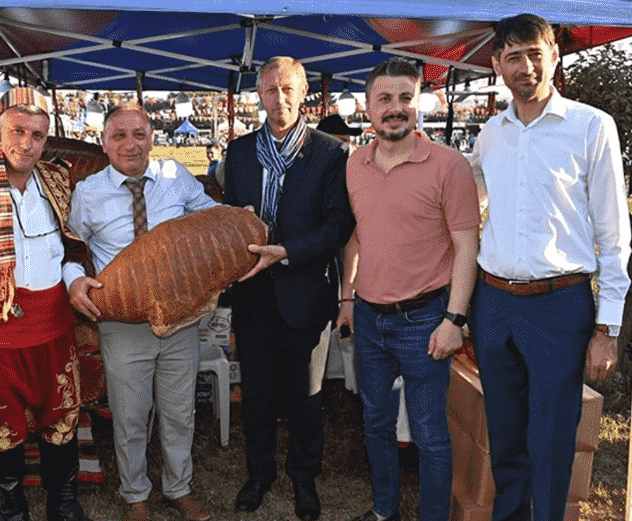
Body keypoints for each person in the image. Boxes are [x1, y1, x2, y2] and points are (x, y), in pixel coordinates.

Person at [470, 13, 630, 521]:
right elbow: (465, 208)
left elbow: (614, 234)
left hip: (560, 305)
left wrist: (607, 327)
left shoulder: (590, 127)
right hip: (493, 303)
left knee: (552, 439)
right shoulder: (489, 135)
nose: (525, 66)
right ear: (497, 64)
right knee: (505, 435)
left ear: (554, 55)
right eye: (513, 56)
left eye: (534, 53)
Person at [337, 57, 480, 521]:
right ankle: (384, 512)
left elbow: (466, 246)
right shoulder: (355, 164)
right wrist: (346, 297)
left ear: (419, 104)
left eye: (404, 98)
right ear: (368, 107)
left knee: (429, 432)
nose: (394, 108)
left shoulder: (449, 165)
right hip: (370, 317)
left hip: (425, 320)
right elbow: (356, 234)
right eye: (385, 99)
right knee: (376, 423)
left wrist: (454, 320)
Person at [64, 102, 217, 521]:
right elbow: (73, 249)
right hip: (123, 321)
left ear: (151, 138)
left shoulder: (175, 177)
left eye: (138, 134)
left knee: (179, 411)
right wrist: (74, 280)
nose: (130, 144)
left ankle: (178, 488)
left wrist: (236, 228)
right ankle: (136, 496)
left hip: (180, 318)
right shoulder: (88, 192)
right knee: (130, 416)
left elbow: (210, 219)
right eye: (119, 136)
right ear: (104, 143)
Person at [223, 56, 355, 521]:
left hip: (305, 290)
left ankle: (304, 477)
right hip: (253, 294)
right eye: (270, 89)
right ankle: (259, 474)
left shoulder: (330, 154)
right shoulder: (238, 152)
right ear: (258, 94)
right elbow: (227, 221)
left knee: (305, 395)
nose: (279, 99)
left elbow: (339, 224)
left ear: (303, 95)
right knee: (255, 391)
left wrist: (287, 251)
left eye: (287, 90)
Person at [0, 87, 92, 521]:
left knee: (63, 413)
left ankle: (63, 502)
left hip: (53, 318)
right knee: (2, 424)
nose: (27, 143)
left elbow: (71, 248)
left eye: (37, 134)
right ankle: (13, 507)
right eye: (18, 131)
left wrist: (74, 282)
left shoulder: (56, 178)